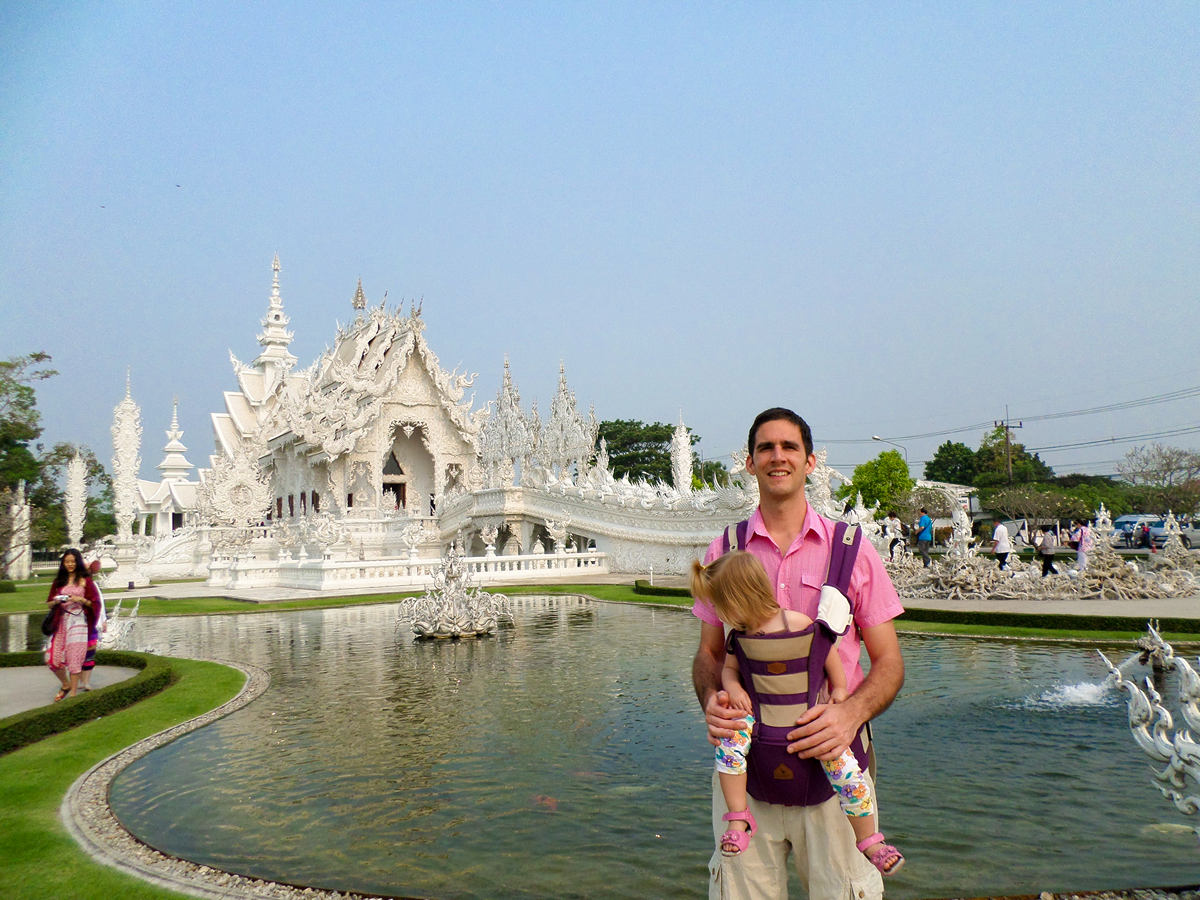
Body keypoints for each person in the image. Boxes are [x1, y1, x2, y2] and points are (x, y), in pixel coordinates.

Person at [692, 408, 905, 900]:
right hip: (747, 771)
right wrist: (713, 701)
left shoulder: (851, 548)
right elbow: (708, 654)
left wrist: (849, 711)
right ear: (749, 463)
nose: (777, 456)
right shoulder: (724, 551)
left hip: (832, 757)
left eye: (789, 447)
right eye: (766, 448)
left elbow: (889, 663)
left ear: (811, 462)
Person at [692, 550, 905, 875]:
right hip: (759, 713)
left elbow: (828, 656)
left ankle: (869, 839)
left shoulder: (798, 623)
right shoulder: (739, 637)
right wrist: (731, 687)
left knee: (842, 765)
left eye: (721, 605)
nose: (719, 613)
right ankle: (738, 816)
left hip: (809, 716)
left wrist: (839, 692)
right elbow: (730, 669)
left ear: (739, 597)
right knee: (730, 746)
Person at [44, 548, 101, 701]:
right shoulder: (59, 581)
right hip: (62, 621)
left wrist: (80, 599)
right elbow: (49, 603)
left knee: (75, 657)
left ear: (77, 562)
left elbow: (95, 603)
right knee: (51, 659)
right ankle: (65, 684)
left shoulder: (84, 580)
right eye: (67, 562)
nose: (70, 564)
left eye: (73, 561)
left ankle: (74, 695)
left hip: (78, 621)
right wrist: (57, 600)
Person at [78, 559, 108, 691]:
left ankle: (85, 682)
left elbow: (99, 603)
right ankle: (80, 679)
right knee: (76, 654)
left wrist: (103, 620)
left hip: (90, 623)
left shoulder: (92, 585)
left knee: (89, 654)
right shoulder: (71, 585)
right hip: (75, 624)